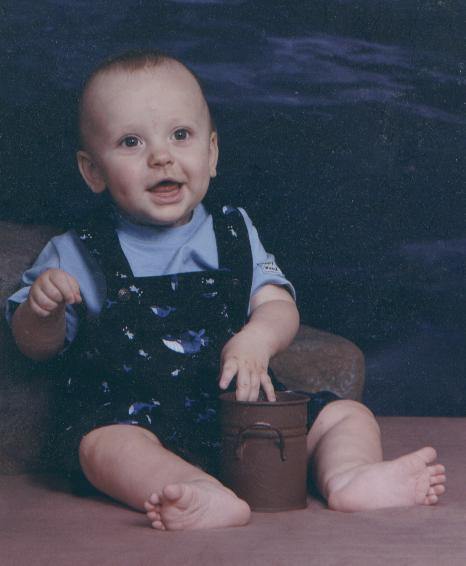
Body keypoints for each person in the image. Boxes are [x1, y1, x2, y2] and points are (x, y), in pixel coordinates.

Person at [7, 50, 446, 531]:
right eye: (131, 142)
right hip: (134, 419)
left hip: (239, 411)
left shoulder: (234, 232)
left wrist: (258, 337)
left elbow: (278, 304)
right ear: (93, 171)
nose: (161, 156)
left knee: (347, 414)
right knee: (101, 447)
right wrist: (42, 311)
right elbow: (35, 347)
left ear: (212, 154)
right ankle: (197, 491)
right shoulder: (76, 251)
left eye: (181, 135)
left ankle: (349, 476)